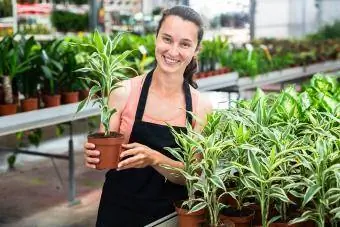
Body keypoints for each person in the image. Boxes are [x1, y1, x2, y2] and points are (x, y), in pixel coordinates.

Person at [84, 5, 212, 227]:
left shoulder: (200, 106)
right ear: (155, 39)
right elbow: (106, 152)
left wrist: (155, 159)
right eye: (167, 39)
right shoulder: (124, 92)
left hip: (168, 216)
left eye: (184, 44)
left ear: (195, 50)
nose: (172, 51)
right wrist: (94, 154)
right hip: (118, 210)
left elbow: (191, 176)